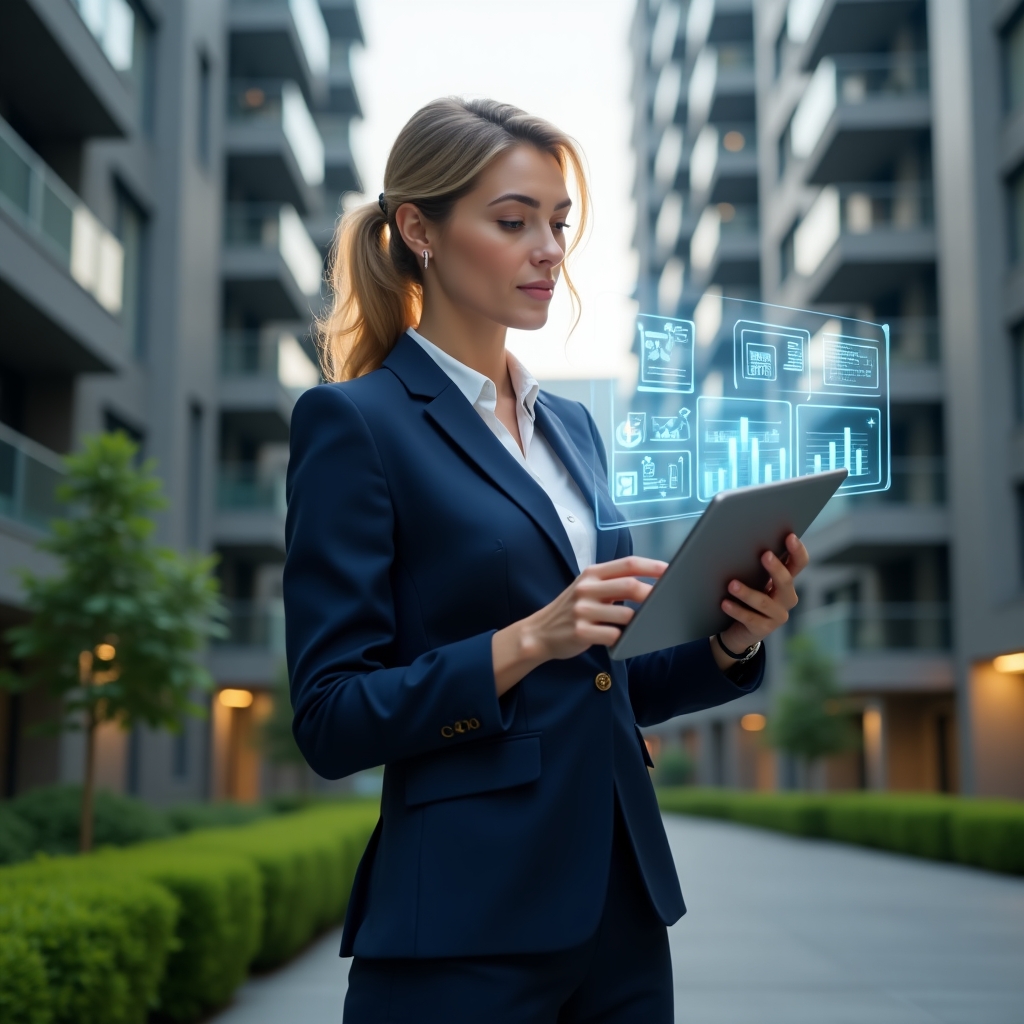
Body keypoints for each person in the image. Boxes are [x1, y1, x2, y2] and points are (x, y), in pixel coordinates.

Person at [283, 97, 809, 1024]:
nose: (548, 250)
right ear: (420, 230)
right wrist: (527, 639)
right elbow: (332, 718)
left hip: (623, 912)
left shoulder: (570, 429)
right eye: (513, 220)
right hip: (462, 923)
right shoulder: (354, 424)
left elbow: (604, 682)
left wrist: (730, 640)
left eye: (559, 224)